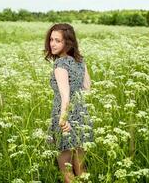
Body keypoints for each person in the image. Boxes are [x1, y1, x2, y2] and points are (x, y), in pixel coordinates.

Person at [44, 23, 94, 183]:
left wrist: (62, 120)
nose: (52, 43)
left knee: (66, 172)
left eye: (57, 40)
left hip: (64, 119)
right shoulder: (80, 61)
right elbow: (87, 87)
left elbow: (65, 97)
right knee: (81, 168)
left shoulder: (60, 65)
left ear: (68, 42)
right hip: (81, 116)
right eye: (51, 39)